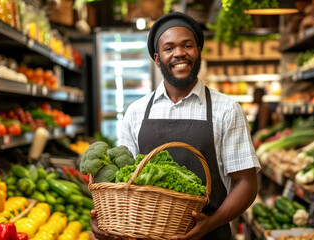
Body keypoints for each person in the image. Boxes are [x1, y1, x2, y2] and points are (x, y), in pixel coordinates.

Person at [91, 12, 260, 240]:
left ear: (198, 51)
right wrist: (108, 222)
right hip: (146, 234)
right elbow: (124, 182)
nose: (179, 53)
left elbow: (246, 183)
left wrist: (209, 224)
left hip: (210, 235)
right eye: (169, 48)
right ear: (158, 58)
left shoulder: (227, 109)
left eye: (187, 45)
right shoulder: (136, 112)